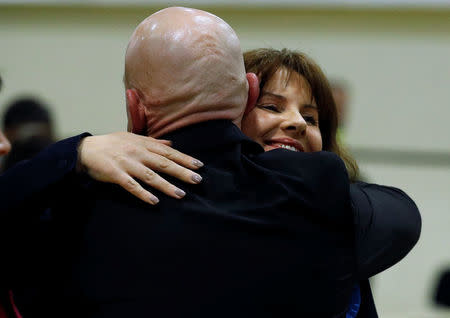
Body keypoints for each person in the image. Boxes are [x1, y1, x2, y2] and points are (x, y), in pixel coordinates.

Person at [0, 7, 420, 318]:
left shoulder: (84, 204)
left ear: (136, 108)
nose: (292, 124)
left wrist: (75, 152)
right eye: (273, 107)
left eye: (310, 118)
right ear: (246, 98)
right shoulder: (318, 194)